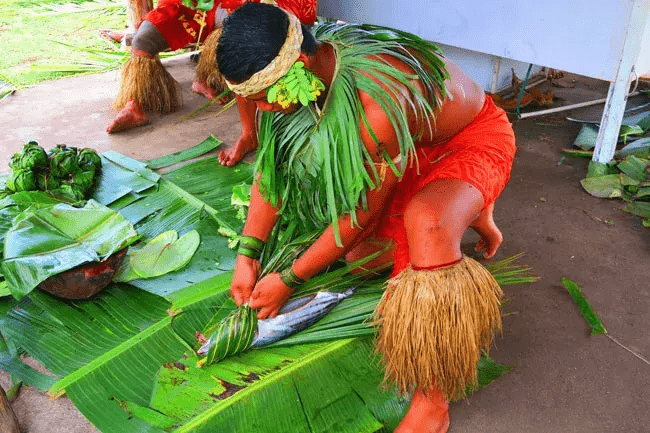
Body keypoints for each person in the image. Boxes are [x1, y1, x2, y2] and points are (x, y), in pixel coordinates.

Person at [218, 3, 517, 432]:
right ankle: (469, 211)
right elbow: (272, 171)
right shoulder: (299, 64)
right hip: (406, 151)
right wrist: (247, 255)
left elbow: (360, 212)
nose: (261, 110)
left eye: (263, 97)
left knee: (427, 222)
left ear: (298, 66)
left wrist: (290, 280)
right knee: (363, 258)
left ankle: (433, 402)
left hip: (468, 139)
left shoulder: (378, 99)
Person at [106, 0, 317, 137]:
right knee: (143, 40)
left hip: (243, 6)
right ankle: (135, 104)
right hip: (192, 7)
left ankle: (207, 80)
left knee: (231, 36)